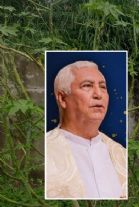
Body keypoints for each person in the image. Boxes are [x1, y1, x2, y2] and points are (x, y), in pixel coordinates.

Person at [46, 61, 127, 199]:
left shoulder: (122, 154)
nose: (98, 94)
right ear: (63, 98)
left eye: (103, 87)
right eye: (87, 86)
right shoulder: (45, 151)